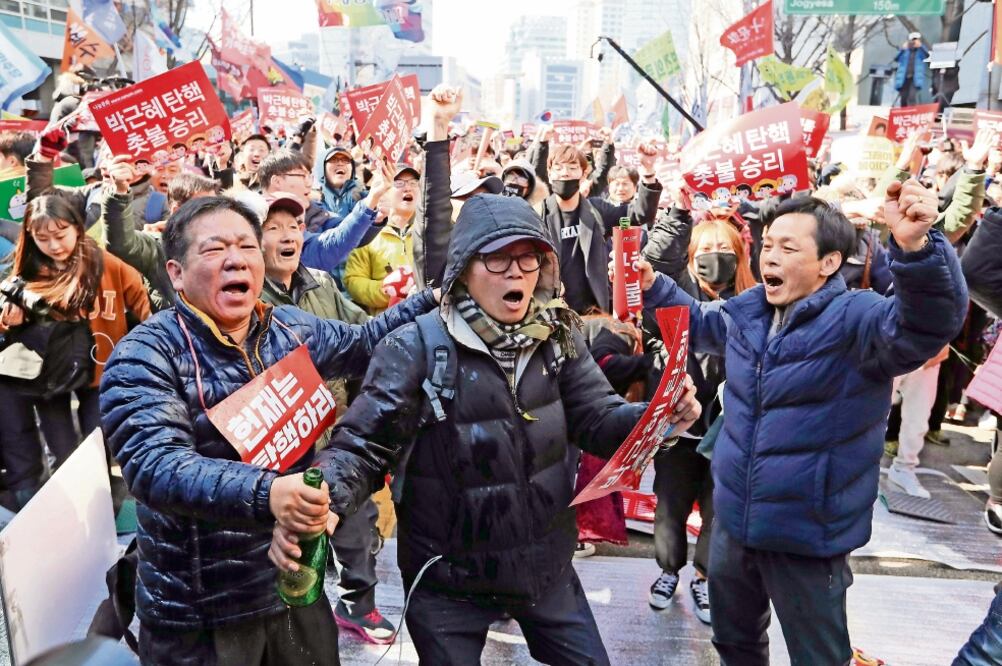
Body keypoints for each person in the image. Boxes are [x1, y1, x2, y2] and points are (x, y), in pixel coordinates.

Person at [275, 194, 700, 665]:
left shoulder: (559, 336)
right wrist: (324, 496)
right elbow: (362, 446)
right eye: (497, 259)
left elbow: (598, 418)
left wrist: (656, 418)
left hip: (546, 569)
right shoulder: (414, 346)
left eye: (528, 258)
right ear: (463, 270)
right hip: (447, 582)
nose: (516, 272)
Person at [98, 196, 440, 665]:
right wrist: (270, 493)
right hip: (200, 614)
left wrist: (433, 298)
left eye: (246, 246)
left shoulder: (287, 327)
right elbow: (157, 466)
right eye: (214, 249)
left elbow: (363, 342)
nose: (236, 259)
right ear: (175, 273)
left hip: (293, 590)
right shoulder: (145, 354)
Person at [638, 181, 968, 665]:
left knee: (818, 656)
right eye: (768, 244)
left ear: (828, 262)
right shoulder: (750, 310)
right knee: (734, 644)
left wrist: (917, 248)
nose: (770, 256)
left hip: (808, 535)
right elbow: (699, 324)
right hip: (734, 523)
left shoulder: (858, 318)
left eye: (788, 248)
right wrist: (652, 285)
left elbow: (926, 324)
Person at [256, 191, 396, 644]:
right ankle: (284, 620)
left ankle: (357, 604)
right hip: (277, 443)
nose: (287, 237)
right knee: (287, 541)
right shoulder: (247, 296)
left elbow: (361, 335)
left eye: (294, 227)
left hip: (333, 433)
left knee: (357, 524)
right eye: (274, 228)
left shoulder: (320, 283)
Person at [642, 211, 757, 625]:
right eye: (706, 249)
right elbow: (655, 269)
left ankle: (704, 577)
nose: (716, 256)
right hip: (678, 428)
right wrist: (677, 214)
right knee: (669, 507)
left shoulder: (755, 303)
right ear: (690, 257)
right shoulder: (673, 298)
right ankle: (667, 570)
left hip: (729, 433)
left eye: (724, 248)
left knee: (718, 510)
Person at [0, 191, 150, 467]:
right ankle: (68, 491)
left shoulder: (104, 262)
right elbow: (6, 314)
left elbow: (142, 301)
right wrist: (10, 316)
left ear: (77, 228)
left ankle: (103, 488)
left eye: (61, 235)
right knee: (62, 451)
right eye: (42, 238)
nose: (54, 245)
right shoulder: (27, 270)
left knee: (100, 440)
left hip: (100, 367)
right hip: (48, 374)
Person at [344, 164, 419, 314]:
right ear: (385, 191)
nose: (408, 188)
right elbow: (352, 281)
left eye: (413, 183)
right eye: (399, 183)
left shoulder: (430, 231)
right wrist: (386, 288)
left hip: (428, 318)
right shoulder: (368, 233)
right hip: (387, 321)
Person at [894, 32, 929, 107]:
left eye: (916, 39)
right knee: (903, 98)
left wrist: (920, 46)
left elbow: (927, 55)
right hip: (904, 78)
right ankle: (903, 112)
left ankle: (912, 112)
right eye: (912, 40)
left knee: (911, 97)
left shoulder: (920, 51)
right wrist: (902, 49)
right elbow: (896, 59)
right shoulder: (905, 50)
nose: (914, 42)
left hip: (915, 78)